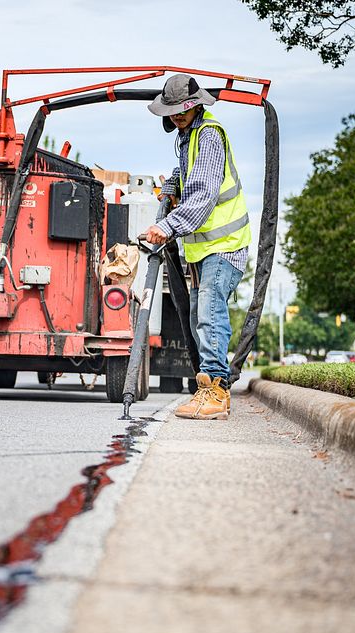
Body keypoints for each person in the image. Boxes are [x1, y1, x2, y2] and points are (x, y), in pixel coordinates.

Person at [141, 74, 251, 420]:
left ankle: (216, 392)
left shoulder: (208, 135)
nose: (175, 117)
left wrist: (167, 226)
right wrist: (173, 183)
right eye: (171, 112)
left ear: (195, 105)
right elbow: (189, 175)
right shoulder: (190, 138)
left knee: (209, 314)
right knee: (195, 316)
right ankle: (207, 389)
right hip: (204, 250)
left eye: (181, 110)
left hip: (224, 244)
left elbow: (203, 191)